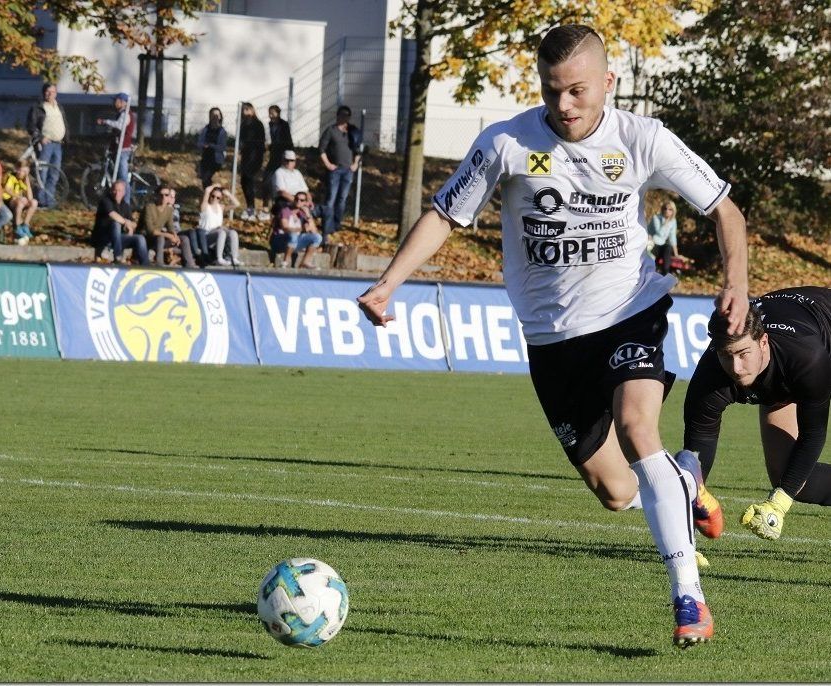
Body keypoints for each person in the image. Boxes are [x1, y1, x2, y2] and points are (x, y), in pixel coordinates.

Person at [356, 25, 749, 648]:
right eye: (551, 91)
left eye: (577, 91)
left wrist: (736, 285)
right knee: (617, 492)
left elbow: (725, 208)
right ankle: (685, 475)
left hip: (629, 311)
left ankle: (689, 598)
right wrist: (388, 283)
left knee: (637, 425)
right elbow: (444, 214)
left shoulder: (643, 139)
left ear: (608, 84)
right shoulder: (507, 143)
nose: (563, 105)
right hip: (551, 341)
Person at [681, 287, 831, 542]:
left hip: (821, 336)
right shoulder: (709, 377)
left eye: (743, 354)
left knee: (789, 485)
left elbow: (813, 434)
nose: (736, 368)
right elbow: (696, 455)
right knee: (791, 476)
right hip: (784, 375)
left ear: (763, 342)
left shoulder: (807, 360)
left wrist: (779, 503)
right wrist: (685, 539)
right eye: (727, 356)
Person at [319, 105, 361, 243]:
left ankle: (336, 225)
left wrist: (355, 163)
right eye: (342, 115)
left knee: (342, 199)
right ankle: (327, 227)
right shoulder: (331, 131)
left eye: (347, 115)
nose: (345, 117)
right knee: (331, 198)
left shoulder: (352, 131)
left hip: (348, 170)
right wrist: (328, 164)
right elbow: (321, 149)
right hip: (335, 170)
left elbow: (358, 149)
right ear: (337, 116)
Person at [26, 82, 68, 208]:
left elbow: (63, 122)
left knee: (54, 173)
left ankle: (50, 201)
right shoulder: (38, 107)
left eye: (53, 92)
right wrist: (39, 138)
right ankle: (41, 200)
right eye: (48, 92)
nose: (50, 94)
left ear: (56, 93)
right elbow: (31, 126)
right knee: (42, 173)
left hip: (58, 144)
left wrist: (65, 137)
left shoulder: (58, 106)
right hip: (46, 145)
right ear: (44, 93)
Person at [92, 180, 148, 265]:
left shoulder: (125, 206)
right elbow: (112, 215)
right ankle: (117, 256)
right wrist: (126, 222)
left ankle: (145, 266)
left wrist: (130, 226)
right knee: (116, 224)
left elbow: (133, 224)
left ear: (124, 192)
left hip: (118, 239)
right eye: (115, 190)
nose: (117, 193)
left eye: (120, 191)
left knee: (140, 238)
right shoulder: (105, 201)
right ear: (111, 190)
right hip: (103, 237)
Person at [97, 93, 136, 204]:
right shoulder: (120, 113)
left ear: (123, 102)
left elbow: (119, 125)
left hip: (122, 150)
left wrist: (105, 121)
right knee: (116, 173)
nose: (115, 102)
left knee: (123, 179)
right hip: (116, 148)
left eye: (117, 100)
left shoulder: (125, 114)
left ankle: (126, 203)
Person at [269, 191, 322, 269]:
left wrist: (308, 216)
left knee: (317, 237)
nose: (298, 201)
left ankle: (305, 262)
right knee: (293, 235)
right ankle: (285, 262)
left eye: (302, 200)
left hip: (293, 242)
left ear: (306, 203)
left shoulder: (302, 214)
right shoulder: (286, 211)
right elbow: (285, 228)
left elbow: (314, 232)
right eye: (296, 199)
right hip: (279, 241)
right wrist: (301, 229)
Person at [196, 184, 242, 267]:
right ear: (210, 195)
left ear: (220, 199)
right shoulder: (205, 206)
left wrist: (228, 194)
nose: (214, 199)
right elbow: (207, 190)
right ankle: (219, 258)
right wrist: (215, 185)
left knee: (233, 233)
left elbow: (237, 204)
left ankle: (234, 258)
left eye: (218, 198)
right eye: (213, 196)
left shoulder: (221, 207)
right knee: (222, 232)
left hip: (219, 235)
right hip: (206, 236)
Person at [237, 102, 267, 222]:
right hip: (245, 156)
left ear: (252, 111)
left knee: (249, 180)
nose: (245, 112)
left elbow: (260, 142)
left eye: (247, 110)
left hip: (255, 157)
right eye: (244, 110)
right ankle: (249, 206)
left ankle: (251, 208)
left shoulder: (258, 124)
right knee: (244, 181)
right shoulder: (243, 124)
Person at [262, 104, 293, 207]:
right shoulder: (271, 124)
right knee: (267, 179)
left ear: (278, 113)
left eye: (272, 113)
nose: (270, 115)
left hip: (282, 154)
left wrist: (289, 155)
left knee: (280, 179)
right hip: (274, 154)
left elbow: (287, 140)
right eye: (269, 113)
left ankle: (281, 204)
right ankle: (267, 204)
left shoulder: (283, 124)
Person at [1, 159, 38, 245]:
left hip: (19, 202)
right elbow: (7, 189)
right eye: (23, 171)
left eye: (26, 172)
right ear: (17, 169)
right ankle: (17, 226)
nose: (24, 174)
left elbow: (30, 197)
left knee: (34, 202)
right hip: (7, 201)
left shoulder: (24, 179)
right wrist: (17, 196)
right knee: (22, 200)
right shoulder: (11, 176)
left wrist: (28, 182)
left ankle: (25, 225)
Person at [647, 200, 684, 275]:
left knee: (668, 248)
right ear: (662, 209)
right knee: (653, 261)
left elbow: (672, 237)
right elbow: (659, 234)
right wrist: (666, 222)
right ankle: (653, 272)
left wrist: (676, 254)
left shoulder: (673, 221)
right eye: (665, 209)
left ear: (673, 211)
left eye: (670, 209)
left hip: (662, 245)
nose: (667, 211)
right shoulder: (656, 218)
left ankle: (665, 273)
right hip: (653, 244)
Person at [197, 107, 228, 189]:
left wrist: (210, 146)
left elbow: (222, 147)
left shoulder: (222, 132)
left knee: (207, 178)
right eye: (213, 115)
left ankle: (210, 195)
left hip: (216, 160)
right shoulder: (205, 129)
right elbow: (200, 142)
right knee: (204, 180)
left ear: (220, 117)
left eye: (217, 115)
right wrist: (203, 146)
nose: (215, 117)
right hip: (206, 158)